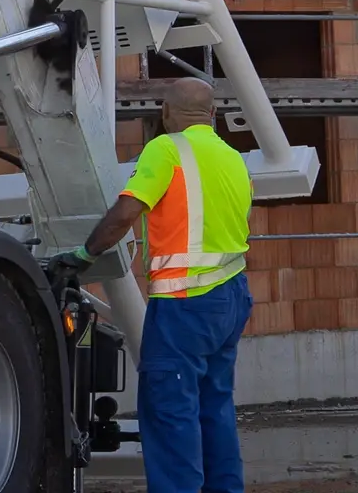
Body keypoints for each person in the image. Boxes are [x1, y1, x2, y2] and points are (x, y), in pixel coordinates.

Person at [68, 77, 254, 493]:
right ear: (213, 115)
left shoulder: (166, 149)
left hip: (185, 304)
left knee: (171, 414)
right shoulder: (232, 156)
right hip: (231, 296)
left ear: (166, 113)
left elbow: (126, 212)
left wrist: (82, 255)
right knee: (214, 408)